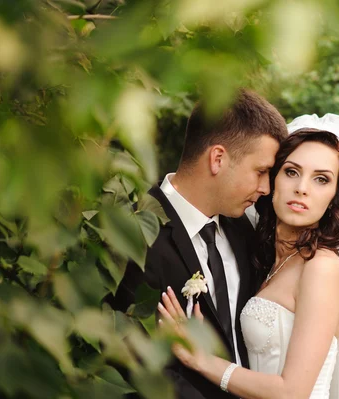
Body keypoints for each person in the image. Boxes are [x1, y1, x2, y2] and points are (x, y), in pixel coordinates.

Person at [159, 114, 339, 399]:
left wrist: (201, 359)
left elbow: (292, 391)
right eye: (292, 171)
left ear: (334, 198)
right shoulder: (262, 255)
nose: (302, 188)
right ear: (272, 180)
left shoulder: (321, 268)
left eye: (321, 179)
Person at [109, 89, 288, 399]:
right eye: (260, 171)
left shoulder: (246, 230)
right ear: (217, 158)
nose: (266, 188)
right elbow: (135, 366)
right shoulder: (136, 236)